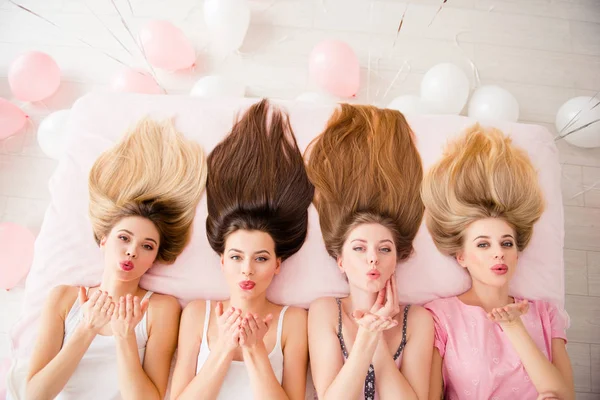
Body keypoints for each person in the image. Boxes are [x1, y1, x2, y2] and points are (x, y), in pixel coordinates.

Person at [25, 118, 207, 400]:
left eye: (147, 246)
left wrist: (124, 337)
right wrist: (87, 328)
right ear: (103, 240)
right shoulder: (63, 298)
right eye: (124, 238)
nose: (132, 251)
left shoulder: (161, 308)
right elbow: (34, 395)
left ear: (155, 258)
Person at [170, 99, 313, 400]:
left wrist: (254, 348)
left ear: (277, 264)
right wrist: (224, 346)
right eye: (236, 257)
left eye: (261, 258)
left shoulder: (294, 321)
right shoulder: (198, 313)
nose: (247, 269)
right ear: (222, 261)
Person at [422, 125, 574, 400]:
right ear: (462, 257)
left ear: (517, 252)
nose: (499, 254)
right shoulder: (440, 317)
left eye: (507, 243)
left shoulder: (545, 314)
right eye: (483, 244)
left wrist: (515, 327)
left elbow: (564, 395)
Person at [306, 104, 434, 400]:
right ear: (340, 261)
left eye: (384, 248)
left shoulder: (418, 320)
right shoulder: (325, 311)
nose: (372, 257)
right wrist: (368, 332)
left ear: (396, 259)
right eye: (359, 248)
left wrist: (377, 332)